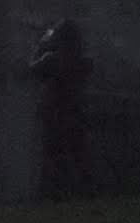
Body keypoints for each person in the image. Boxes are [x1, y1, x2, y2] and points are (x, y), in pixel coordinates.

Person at [31, 19, 95, 200]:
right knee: (79, 156)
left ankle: (54, 193)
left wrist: (41, 45)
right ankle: (84, 193)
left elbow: (31, 70)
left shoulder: (51, 60)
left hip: (55, 114)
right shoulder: (84, 62)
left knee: (53, 156)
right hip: (77, 113)